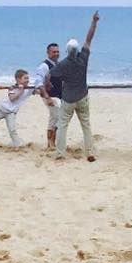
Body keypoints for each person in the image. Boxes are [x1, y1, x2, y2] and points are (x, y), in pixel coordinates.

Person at [47, 12, 99, 161]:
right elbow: (89, 39)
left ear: (66, 50)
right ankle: (89, 152)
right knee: (86, 125)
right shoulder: (83, 58)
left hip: (68, 98)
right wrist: (94, 22)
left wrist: (48, 83)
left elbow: (49, 74)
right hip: (82, 96)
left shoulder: (62, 64)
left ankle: (60, 153)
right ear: (77, 50)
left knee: (63, 125)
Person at [0, 69, 33, 148]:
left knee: (12, 130)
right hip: (1, 109)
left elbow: (39, 91)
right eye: (25, 78)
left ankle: (18, 145)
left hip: (11, 112)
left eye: (28, 78)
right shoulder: (13, 88)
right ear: (18, 79)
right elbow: (12, 98)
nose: (27, 80)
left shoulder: (29, 89)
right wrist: (20, 90)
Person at [32, 43, 64, 149]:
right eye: (54, 52)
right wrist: (47, 97)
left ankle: (51, 143)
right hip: (50, 97)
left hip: (58, 96)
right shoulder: (44, 66)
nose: (56, 54)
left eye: (57, 51)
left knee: (54, 118)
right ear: (48, 53)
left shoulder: (58, 65)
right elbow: (38, 82)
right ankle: (51, 142)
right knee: (58, 118)